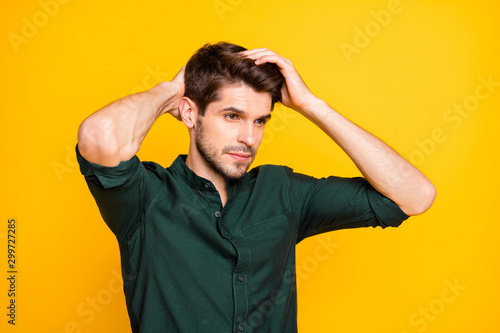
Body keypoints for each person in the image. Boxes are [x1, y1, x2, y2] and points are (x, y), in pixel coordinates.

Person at [76, 42, 436, 333]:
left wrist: (312, 105)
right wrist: (169, 91)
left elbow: (415, 196)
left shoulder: (283, 193)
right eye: (232, 116)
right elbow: (99, 137)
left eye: (260, 121)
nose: (249, 138)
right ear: (189, 113)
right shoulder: (145, 197)